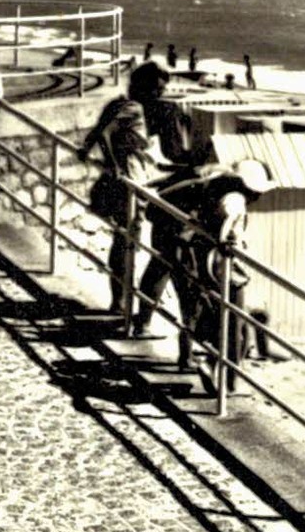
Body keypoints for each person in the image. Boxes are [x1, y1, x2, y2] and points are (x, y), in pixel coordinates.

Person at [132, 160, 274, 367]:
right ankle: (186, 354)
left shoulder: (213, 176)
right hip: (175, 230)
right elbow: (221, 226)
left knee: (166, 276)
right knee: (189, 296)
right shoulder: (229, 196)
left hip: (168, 221)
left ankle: (147, 326)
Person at [81, 65, 170, 315]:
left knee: (121, 241)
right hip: (130, 178)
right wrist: (115, 165)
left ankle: (119, 300)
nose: (159, 95)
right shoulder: (134, 108)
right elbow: (106, 133)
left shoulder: (118, 104)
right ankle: (121, 303)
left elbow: (99, 130)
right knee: (127, 242)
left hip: (124, 176)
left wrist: (88, 150)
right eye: (157, 89)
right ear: (144, 86)